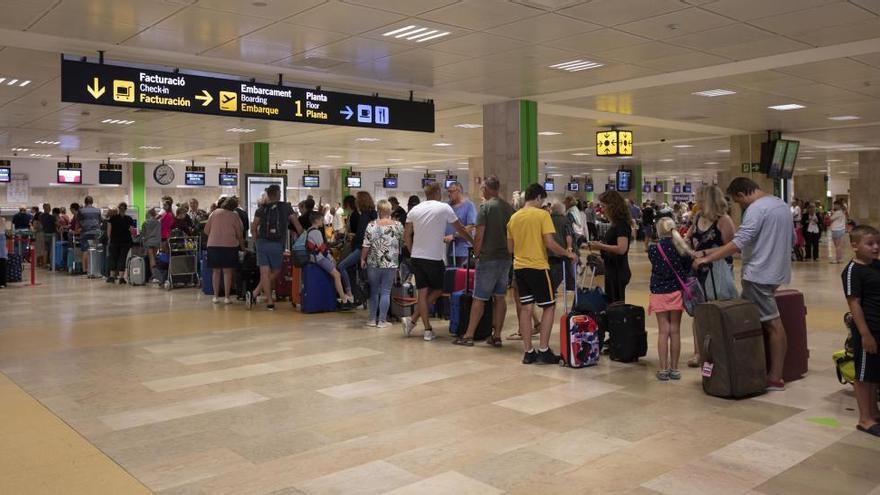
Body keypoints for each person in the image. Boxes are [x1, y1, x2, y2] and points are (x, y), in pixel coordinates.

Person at [693, 177, 792, 391]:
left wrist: (707, 258)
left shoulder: (756, 209)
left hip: (759, 273)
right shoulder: (780, 205)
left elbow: (738, 242)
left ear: (740, 194)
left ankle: (775, 376)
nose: (740, 206)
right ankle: (756, 368)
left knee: (772, 324)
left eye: (738, 202)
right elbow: (788, 239)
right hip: (776, 271)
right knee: (761, 321)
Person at [507, 183, 577, 364]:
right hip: (538, 267)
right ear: (538, 197)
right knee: (549, 306)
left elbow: (510, 247)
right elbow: (550, 243)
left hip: (519, 267)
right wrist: (567, 253)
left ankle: (528, 351)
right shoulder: (542, 215)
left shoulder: (513, 218)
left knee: (526, 307)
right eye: (542, 200)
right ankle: (544, 349)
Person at [402, 182, 474, 341]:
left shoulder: (415, 210)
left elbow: (406, 235)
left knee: (422, 292)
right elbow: (461, 229)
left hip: (417, 257)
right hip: (434, 257)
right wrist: (474, 243)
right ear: (437, 192)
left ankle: (421, 326)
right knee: (440, 289)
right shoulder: (444, 208)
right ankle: (416, 321)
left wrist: (413, 250)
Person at [452, 176, 514, 347]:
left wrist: (477, 255)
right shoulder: (509, 208)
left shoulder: (485, 207)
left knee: (479, 297)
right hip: (505, 258)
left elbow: (479, 235)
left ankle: (469, 335)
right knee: (500, 297)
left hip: (488, 259)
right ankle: (497, 335)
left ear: (486, 189)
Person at [685, 185, 735, 367]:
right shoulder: (697, 217)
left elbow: (731, 247)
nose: (697, 202)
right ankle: (699, 352)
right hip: (697, 270)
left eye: (700, 199)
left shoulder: (724, 221)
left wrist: (705, 253)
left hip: (717, 271)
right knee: (698, 310)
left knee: (717, 309)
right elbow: (689, 237)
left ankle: (720, 348)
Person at [841, 225, 880, 437]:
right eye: (870, 243)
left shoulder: (876, 266)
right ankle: (865, 419)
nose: (875, 247)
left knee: (874, 373)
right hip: (868, 330)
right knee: (864, 375)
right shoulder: (852, 272)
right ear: (855, 246)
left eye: (878, 243)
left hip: (878, 329)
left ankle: (874, 412)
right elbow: (854, 304)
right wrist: (865, 334)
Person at [648, 217, 693, 381]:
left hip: (659, 291)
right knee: (675, 330)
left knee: (663, 331)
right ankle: (674, 369)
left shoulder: (654, 248)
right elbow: (688, 266)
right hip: (676, 292)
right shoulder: (681, 247)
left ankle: (663, 369)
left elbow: (654, 264)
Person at [250, 184, 302, 311]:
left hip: (262, 243)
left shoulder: (261, 209)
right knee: (276, 271)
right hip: (277, 244)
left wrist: (257, 240)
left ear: (268, 194)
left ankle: (268, 301)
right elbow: (297, 225)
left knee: (264, 272)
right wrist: (303, 237)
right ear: (278, 194)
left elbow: (254, 227)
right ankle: (255, 293)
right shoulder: (286, 207)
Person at [360, 199, 404, 327]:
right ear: (390, 211)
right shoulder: (398, 226)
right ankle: (382, 321)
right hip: (390, 263)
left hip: (373, 262)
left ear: (378, 210)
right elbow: (402, 243)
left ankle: (372, 319)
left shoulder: (371, 225)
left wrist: (362, 259)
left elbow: (366, 245)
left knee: (374, 291)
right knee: (386, 291)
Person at [588, 190, 632, 303]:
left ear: (612, 206)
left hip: (618, 270)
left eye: (603, 206)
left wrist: (601, 246)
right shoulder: (616, 224)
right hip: (612, 268)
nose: (602, 209)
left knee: (616, 304)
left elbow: (622, 249)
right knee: (612, 303)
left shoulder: (622, 225)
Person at [338, 191, 377, 303]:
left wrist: (353, 237)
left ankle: (350, 294)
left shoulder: (364, 216)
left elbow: (361, 235)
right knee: (364, 276)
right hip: (370, 248)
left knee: (342, 266)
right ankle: (363, 300)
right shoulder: (373, 214)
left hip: (361, 248)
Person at [205, 197, 244, 304]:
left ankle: (215, 297)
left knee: (216, 271)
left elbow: (206, 230)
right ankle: (227, 297)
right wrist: (243, 247)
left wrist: (215, 235)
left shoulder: (214, 213)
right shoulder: (234, 215)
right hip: (230, 246)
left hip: (213, 245)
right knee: (227, 272)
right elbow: (239, 234)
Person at [444, 181, 476, 267]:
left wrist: (454, 236)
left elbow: (471, 226)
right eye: (448, 191)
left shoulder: (469, 206)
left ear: (458, 191)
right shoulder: (447, 207)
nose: (449, 194)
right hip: (450, 250)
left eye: (451, 191)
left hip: (464, 250)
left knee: (462, 276)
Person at [106, 203, 134, 284]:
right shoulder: (129, 218)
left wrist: (109, 239)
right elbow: (132, 231)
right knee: (122, 258)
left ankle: (111, 277)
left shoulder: (113, 218)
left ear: (119, 209)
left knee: (113, 258)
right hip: (126, 241)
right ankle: (121, 278)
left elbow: (109, 230)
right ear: (125, 209)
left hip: (114, 241)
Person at [142, 208, 162, 283]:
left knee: (151, 258)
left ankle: (154, 276)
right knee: (155, 257)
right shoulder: (158, 222)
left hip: (149, 242)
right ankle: (157, 275)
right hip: (156, 242)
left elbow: (143, 234)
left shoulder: (145, 223)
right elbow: (159, 233)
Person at [829, 200, 848, 264]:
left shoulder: (837, 212)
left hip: (836, 229)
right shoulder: (843, 212)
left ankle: (836, 259)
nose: (834, 206)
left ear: (839, 205)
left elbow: (830, 219)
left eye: (835, 205)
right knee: (839, 246)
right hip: (841, 229)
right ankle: (840, 258)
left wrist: (831, 214)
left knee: (837, 246)